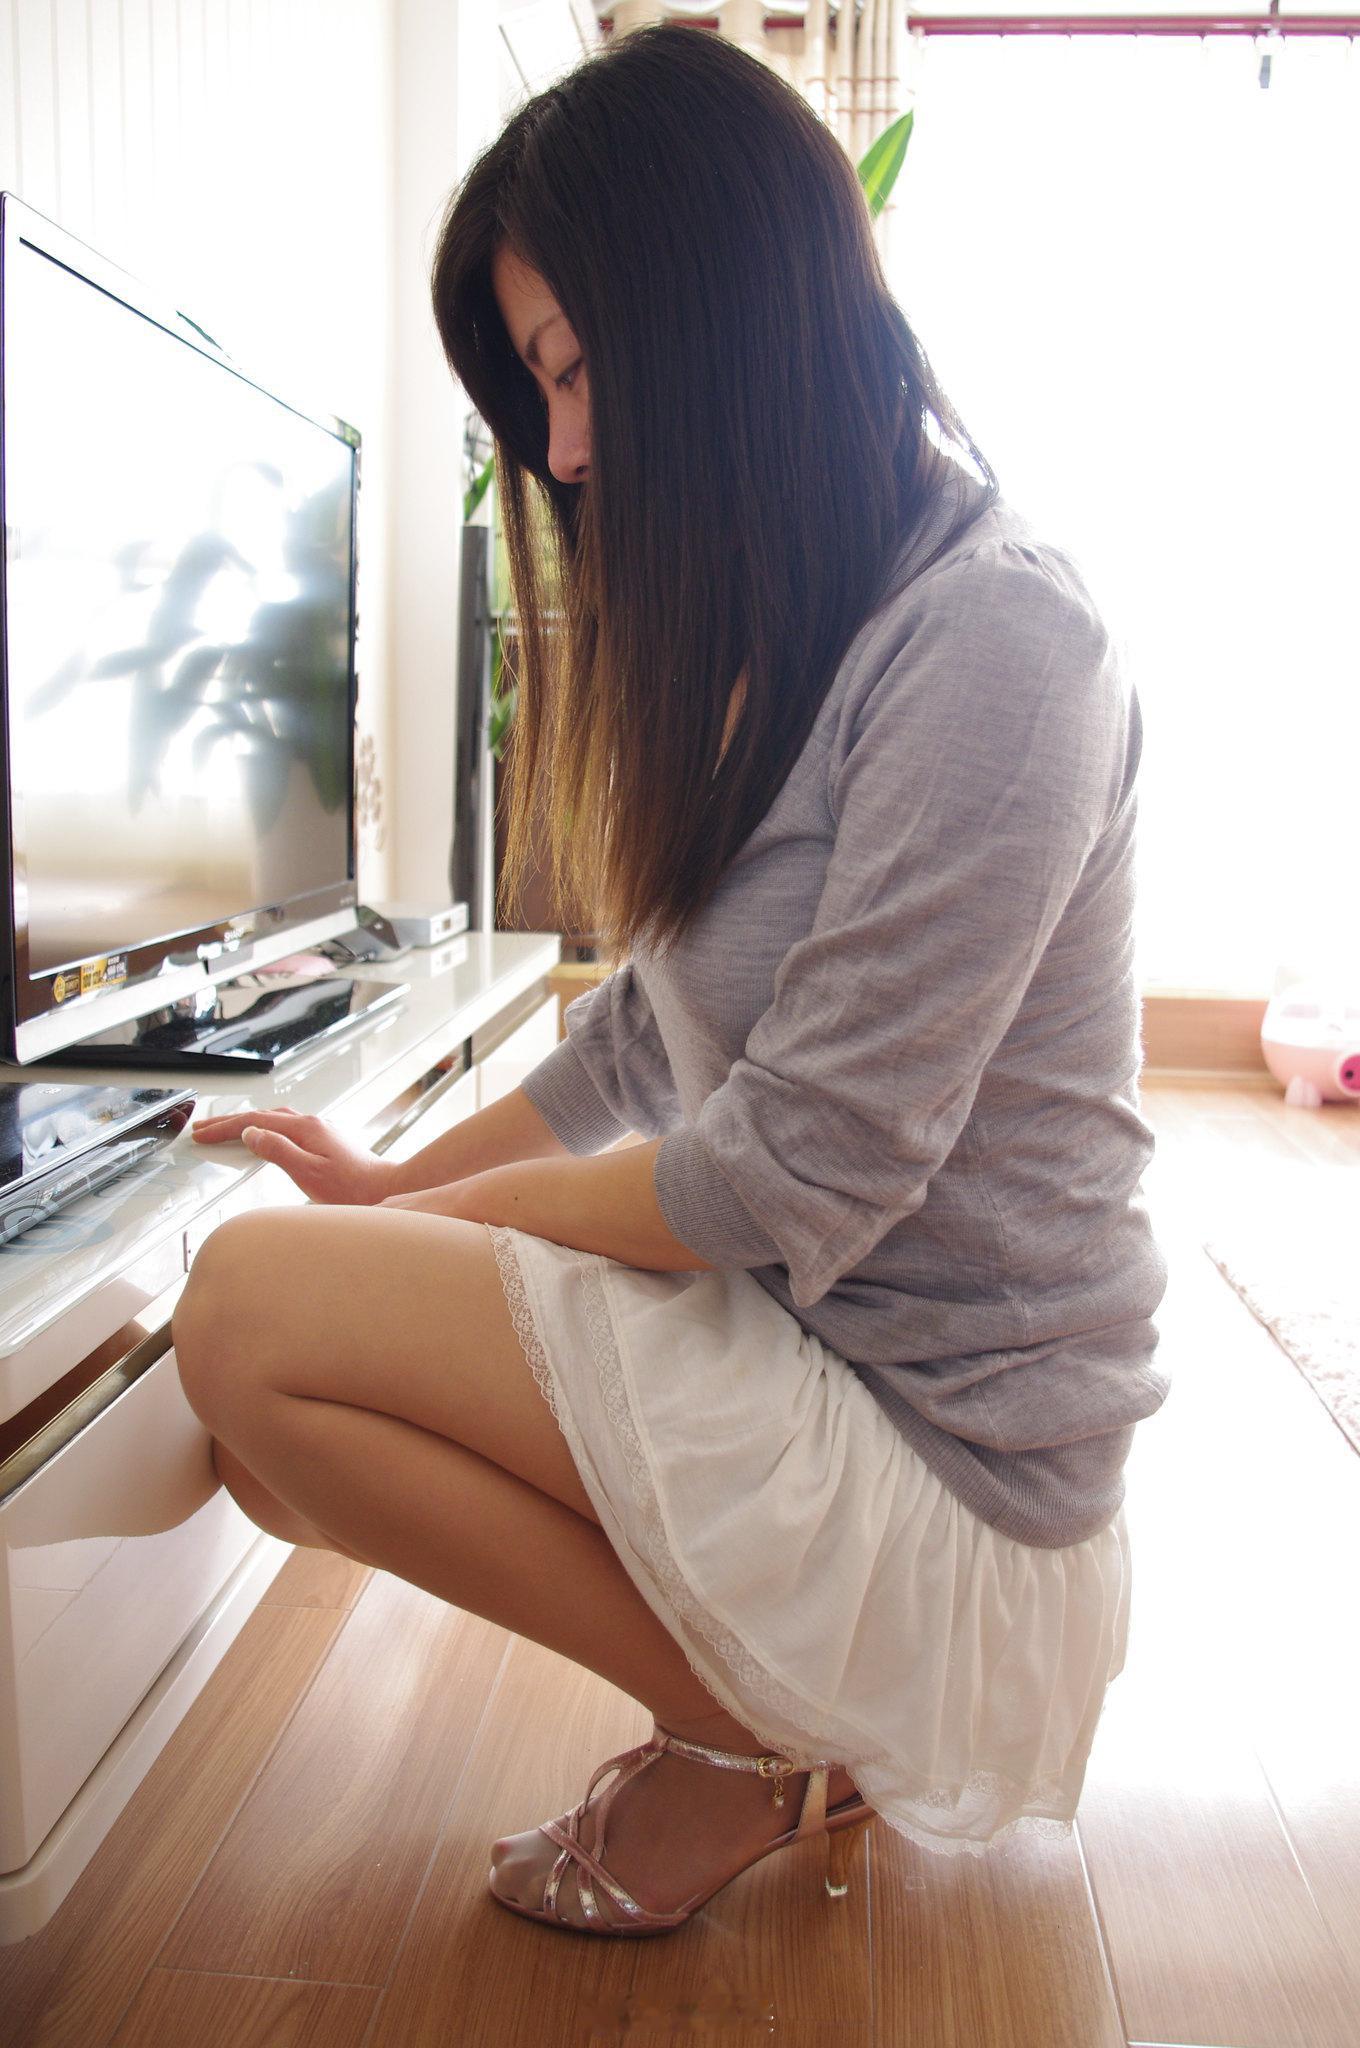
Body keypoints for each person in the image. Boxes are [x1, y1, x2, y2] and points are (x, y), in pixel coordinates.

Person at [176, 23, 1170, 1938]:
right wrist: (395, 1195)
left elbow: (788, 1175)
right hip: (821, 1357)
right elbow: (649, 1034)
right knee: (259, 1418)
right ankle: (756, 1715)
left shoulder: (997, 640)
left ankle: (753, 1735)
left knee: (249, 1314)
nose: (559, 449)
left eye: (572, 368)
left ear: (718, 305)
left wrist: (414, 1230)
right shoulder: (799, 607)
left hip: (956, 1478)